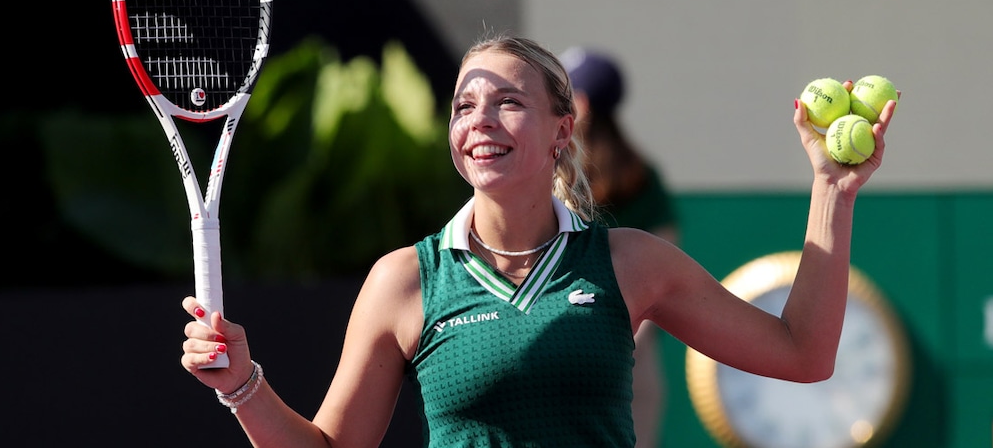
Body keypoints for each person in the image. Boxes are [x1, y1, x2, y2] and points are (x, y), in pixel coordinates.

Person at [180, 33, 895, 448]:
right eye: (464, 104)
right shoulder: (403, 281)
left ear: (561, 131)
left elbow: (803, 353)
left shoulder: (628, 261)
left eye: (508, 102)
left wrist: (831, 190)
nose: (480, 119)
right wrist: (244, 386)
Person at [560, 46, 677, 447]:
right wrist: (628, 348)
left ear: (582, 102)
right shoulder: (643, 174)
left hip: (565, 350)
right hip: (633, 361)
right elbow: (664, 277)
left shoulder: (551, 173)